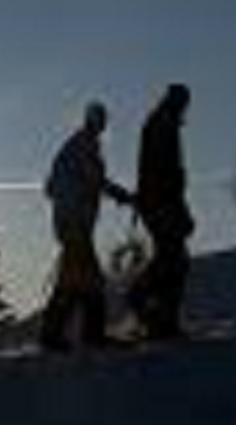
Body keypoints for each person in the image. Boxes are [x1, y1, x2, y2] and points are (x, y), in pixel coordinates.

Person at [40, 101, 133, 349]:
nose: (102, 125)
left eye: (103, 120)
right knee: (86, 279)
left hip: (72, 225)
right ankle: (87, 335)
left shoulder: (79, 145)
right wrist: (122, 195)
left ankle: (61, 334)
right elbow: (94, 180)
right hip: (74, 226)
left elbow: (55, 185)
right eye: (100, 120)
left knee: (76, 279)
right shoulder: (83, 145)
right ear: (92, 120)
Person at [128, 83, 194, 339]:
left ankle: (162, 317)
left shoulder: (163, 123)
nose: (185, 107)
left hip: (161, 202)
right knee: (173, 257)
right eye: (182, 101)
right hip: (159, 203)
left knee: (174, 258)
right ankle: (144, 303)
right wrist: (175, 206)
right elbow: (162, 172)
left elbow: (170, 174)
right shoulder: (161, 125)